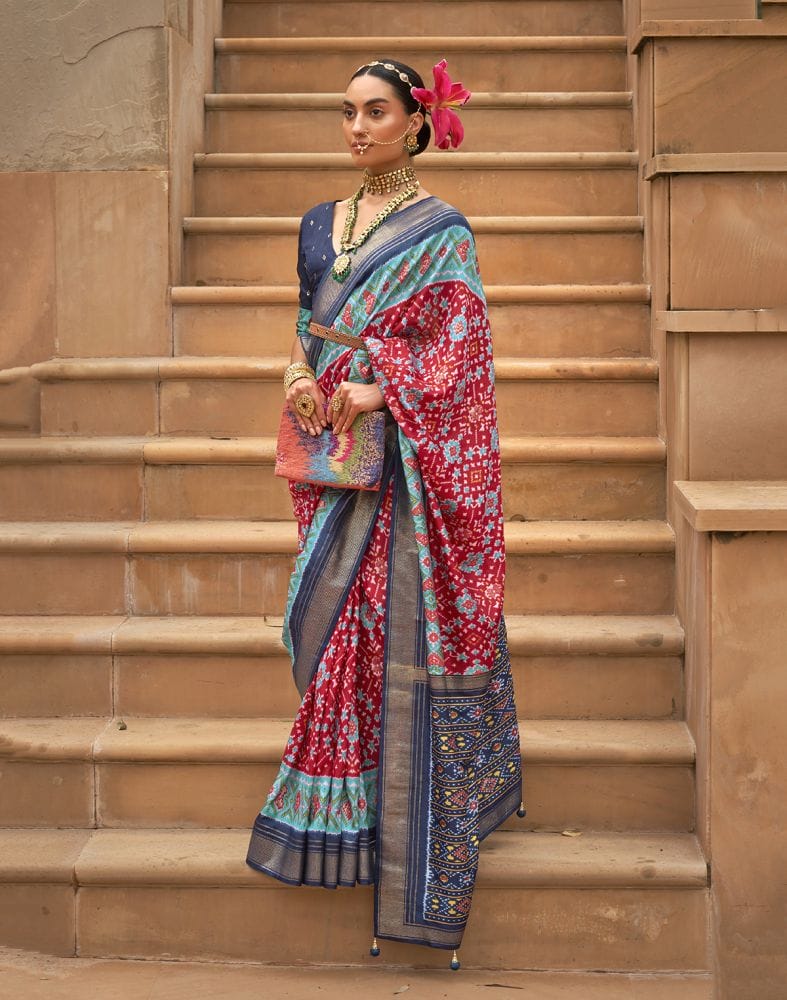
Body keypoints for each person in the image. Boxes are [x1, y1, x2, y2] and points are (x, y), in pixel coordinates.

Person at [246, 57, 523, 968]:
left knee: (392, 629)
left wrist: (381, 390)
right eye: (346, 113)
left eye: (375, 113)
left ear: (416, 123)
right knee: (325, 624)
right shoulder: (319, 223)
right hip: (330, 454)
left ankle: (406, 815)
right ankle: (351, 802)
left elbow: (462, 352)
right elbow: (303, 317)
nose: (357, 128)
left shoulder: (443, 231)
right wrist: (296, 376)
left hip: (406, 461)